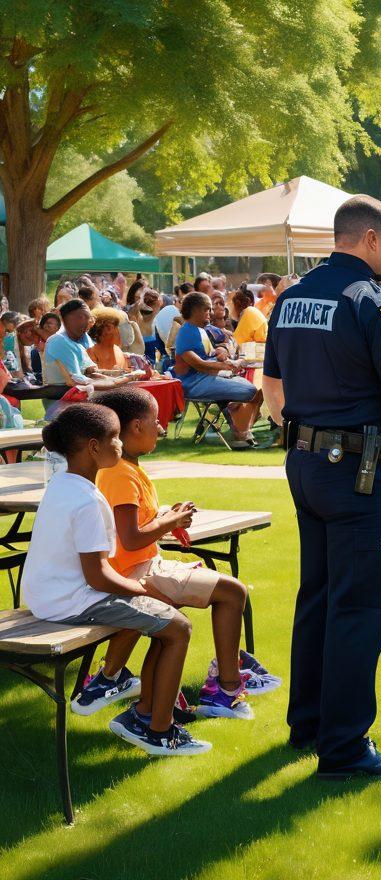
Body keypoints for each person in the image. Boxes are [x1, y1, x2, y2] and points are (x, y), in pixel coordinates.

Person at [261, 194, 381, 780]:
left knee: (318, 597)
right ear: (369, 240)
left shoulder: (289, 299)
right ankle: (345, 748)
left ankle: (307, 724)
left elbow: (272, 390)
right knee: (357, 608)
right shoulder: (373, 302)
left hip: (306, 463)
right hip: (358, 471)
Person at [21, 403, 210, 755]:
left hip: (48, 595)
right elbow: (99, 575)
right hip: (73, 601)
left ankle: (132, 698)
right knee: (178, 628)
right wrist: (142, 588)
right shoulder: (88, 501)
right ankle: (158, 731)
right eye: (114, 439)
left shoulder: (62, 485)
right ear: (94, 447)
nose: (120, 444)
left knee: (164, 620)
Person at [92, 387, 280, 721]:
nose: (162, 427)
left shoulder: (127, 469)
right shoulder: (120, 473)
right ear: (135, 427)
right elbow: (131, 539)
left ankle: (154, 704)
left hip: (142, 567)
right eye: (156, 419)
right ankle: (225, 687)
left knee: (178, 625)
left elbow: (132, 527)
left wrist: (165, 517)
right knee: (232, 592)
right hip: (137, 573)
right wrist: (170, 522)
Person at [174, 291, 263, 449]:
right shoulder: (186, 333)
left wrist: (222, 352)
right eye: (207, 309)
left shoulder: (202, 329)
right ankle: (239, 430)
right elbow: (199, 364)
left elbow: (221, 346)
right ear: (195, 310)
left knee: (258, 392)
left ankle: (240, 430)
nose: (211, 313)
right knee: (251, 390)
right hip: (195, 383)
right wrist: (228, 365)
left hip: (208, 378)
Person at [43, 299, 143, 392]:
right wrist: (121, 380)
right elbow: (76, 382)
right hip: (63, 404)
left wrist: (121, 375)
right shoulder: (58, 341)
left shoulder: (80, 342)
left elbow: (92, 372)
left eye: (88, 318)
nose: (87, 322)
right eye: (80, 317)